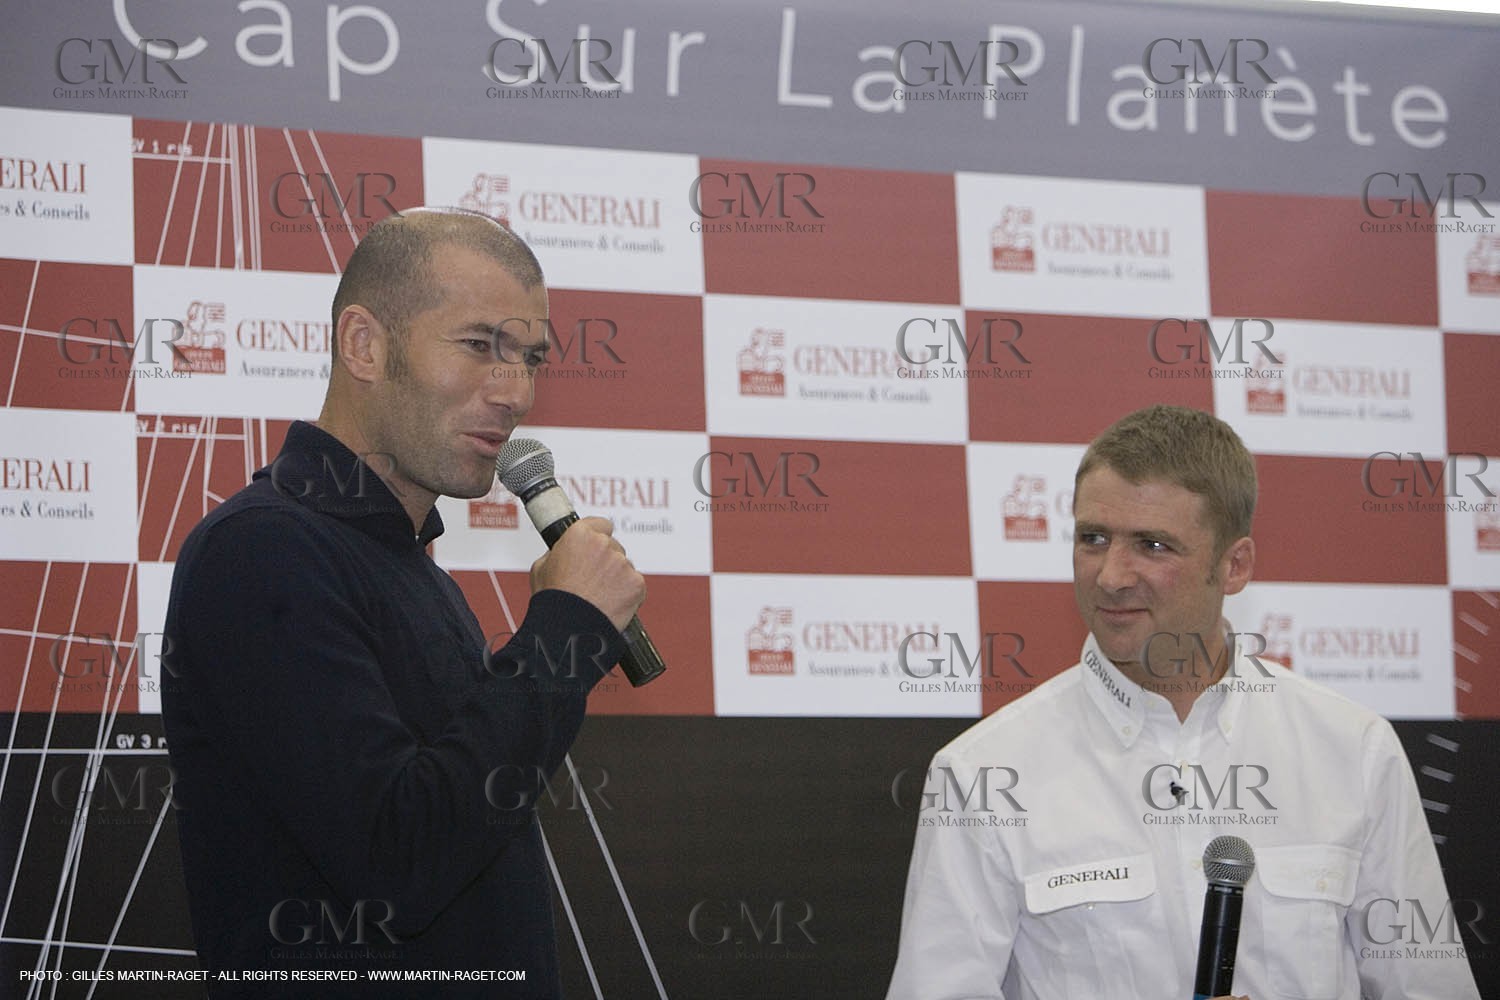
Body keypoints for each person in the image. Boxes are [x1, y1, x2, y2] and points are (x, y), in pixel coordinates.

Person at [161, 208, 646, 997]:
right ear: (364, 343)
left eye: (529, 357)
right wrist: (567, 630)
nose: (515, 391)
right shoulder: (261, 551)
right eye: (480, 345)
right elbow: (399, 862)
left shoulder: (407, 564)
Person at [885, 405, 1479, 1000]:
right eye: (1093, 538)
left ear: (1235, 565)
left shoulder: (1354, 751)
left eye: (1153, 545)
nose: (1112, 576)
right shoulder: (980, 774)